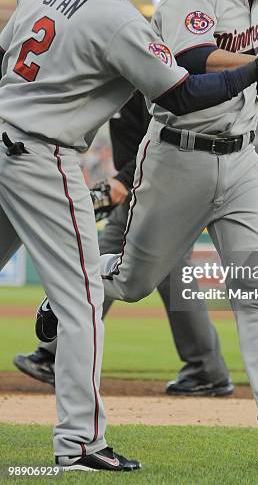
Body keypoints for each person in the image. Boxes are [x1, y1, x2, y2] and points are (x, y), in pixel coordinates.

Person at [0, 0, 258, 472]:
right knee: (88, 297)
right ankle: (79, 446)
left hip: (5, 132)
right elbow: (180, 92)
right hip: (45, 152)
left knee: (250, 290)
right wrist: (255, 70)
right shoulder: (123, 20)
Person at [14, 91, 234, 396]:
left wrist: (124, 181)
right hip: (143, 186)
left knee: (154, 272)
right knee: (128, 263)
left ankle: (206, 370)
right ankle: (205, 369)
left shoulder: (147, 77)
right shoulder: (124, 72)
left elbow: (164, 137)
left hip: (158, 187)